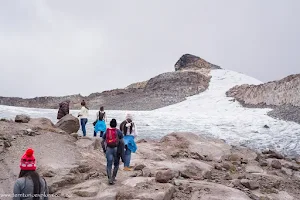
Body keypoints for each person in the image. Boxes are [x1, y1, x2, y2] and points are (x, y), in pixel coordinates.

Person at [101, 119, 124, 185]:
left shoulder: (107, 131)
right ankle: (113, 177)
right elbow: (122, 142)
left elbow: (102, 141)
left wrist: (104, 149)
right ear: (116, 124)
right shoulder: (119, 132)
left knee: (109, 164)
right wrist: (122, 151)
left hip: (108, 149)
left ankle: (109, 179)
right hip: (116, 149)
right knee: (116, 164)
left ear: (110, 124)